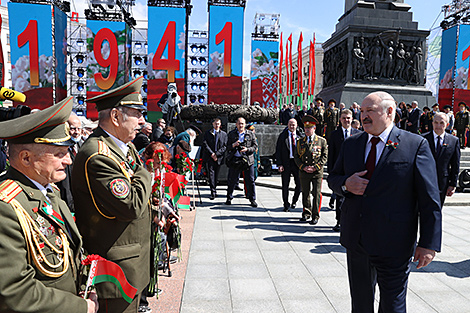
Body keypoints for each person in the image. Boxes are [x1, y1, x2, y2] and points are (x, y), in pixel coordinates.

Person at [328, 91, 442, 312]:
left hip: (394, 243)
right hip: (357, 240)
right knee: (360, 304)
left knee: (393, 305)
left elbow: (429, 199)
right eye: (361, 111)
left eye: (370, 111)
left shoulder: (414, 145)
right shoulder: (351, 144)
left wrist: (428, 243)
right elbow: (333, 178)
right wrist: (345, 185)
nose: (363, 116)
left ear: (390, 112)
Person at [0, 97, 98, 313]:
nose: (69, 161)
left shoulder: (49, 191)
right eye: (60, 154)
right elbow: (14, 292)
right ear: (26, 158)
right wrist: (81, 307)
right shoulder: (6, 207)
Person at [72, 77, 152, 313]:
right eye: (137, 114)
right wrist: (145, 173)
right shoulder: (98, 155)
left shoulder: (122, 147)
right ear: (116, 117)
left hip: (132, 263)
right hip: (117, 271)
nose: (142, 121)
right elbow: (132, 205)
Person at [327, 109, 361, 232]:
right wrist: (331, 172)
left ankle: (352, 221)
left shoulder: (358, 134)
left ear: (352, 119)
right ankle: (339, 221)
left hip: (353, 170)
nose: (346, 120)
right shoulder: (334, 135)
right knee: (339, 197)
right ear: (340, 119)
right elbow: (331, 155)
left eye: (348, 118)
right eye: (344, 118)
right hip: (339, 171)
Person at [294, 115, 328, 224]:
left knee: (316, 193)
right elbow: (296, 157)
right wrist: (304, 167)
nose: (307, 130)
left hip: (317, 172)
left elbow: (324, 156)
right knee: (305, 193)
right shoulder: (300, 142)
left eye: (309, 128)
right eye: (305, 128)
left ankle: (315, 215)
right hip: (304, 172)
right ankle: (306, 212)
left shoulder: (321, 141)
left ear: (314, 128)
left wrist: (316, 167)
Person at [423, 112, 461, 206]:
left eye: (442, 123)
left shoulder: (453, 141)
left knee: (437, 210)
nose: (438, 126)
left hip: (442, 183)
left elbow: (455, 164)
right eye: (436, 122)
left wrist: (452, 184)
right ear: (432, 123)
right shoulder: (423, 139)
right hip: (424, 182)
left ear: (447, 125)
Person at [225, 117, 258, 207]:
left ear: (245, 124)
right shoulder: (231, 134)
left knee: (250, 180)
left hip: (247, 160)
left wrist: (247, 149)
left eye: (242, 124)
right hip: (235, 159)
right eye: (239, 123)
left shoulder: (250, 134)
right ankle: (229, 197)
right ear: (236, 124)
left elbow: (255, 147)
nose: (241, 125)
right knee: (232, 179)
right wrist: (233, 145)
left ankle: (252, 199)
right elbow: (226, 146)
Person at [56, 111, 84, 212]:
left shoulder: (83, 146)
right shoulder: (60, 148)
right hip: (67, 200)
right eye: (73, 129)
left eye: (79, 129)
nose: (76, 132)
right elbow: (65, 185)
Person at [275, 118, 302, 212]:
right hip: (286, 163)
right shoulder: (283, 136)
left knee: (299, 184)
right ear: (287, 125)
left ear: (297, 125)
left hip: (297, 164)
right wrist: (279, 164)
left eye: (293, 124)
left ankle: (294, 201)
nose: (292, 126)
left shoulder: (300, 136)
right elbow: (278, 151)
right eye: (290, 124)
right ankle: (286, 204)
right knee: (285, 185)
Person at [202, 118, 228, 200]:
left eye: (218, 124)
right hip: (210, 157)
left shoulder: (224, 134)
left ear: (220, 125)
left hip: (219, 158)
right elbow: (205, 144)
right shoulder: (208, 133)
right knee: (211, 174)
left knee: (216, 175)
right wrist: (212, 154)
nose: (217, 125)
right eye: (215, 123)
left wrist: (217, 154)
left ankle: (215, 188)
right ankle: (212, 191)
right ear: (213, 124)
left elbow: (225, 146)